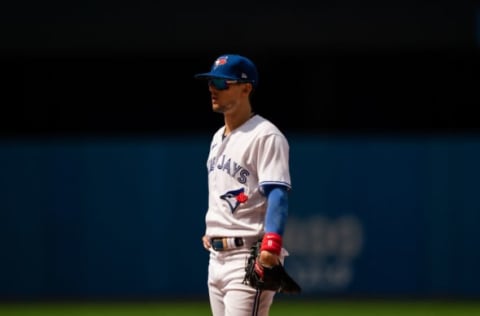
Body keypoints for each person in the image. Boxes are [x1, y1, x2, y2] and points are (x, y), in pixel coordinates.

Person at [194, 54, 293, 316]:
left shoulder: (266, 135)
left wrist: (271, 244)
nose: (213, 88)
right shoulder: (217, 138)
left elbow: (277, 193)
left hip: (247, 255)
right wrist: (214, 228)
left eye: (222, 82)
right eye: (210, 82)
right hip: (216, 259)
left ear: (246, 87)